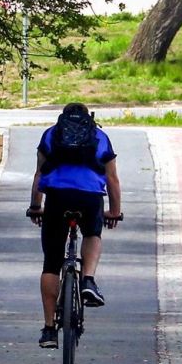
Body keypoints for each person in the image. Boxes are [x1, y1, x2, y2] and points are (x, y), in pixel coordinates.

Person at [26, 102, 122, 349]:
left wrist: (35, 206)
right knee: (92, 233)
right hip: (89, 198)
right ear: (89, 119)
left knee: (51, 263)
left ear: (62, 118)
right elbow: (112, 179)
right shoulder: (100, 136)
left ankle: (49, 329)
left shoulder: (51, 135)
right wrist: (114, 211)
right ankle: (88, 279)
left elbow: (39, 174)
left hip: (57, 198)